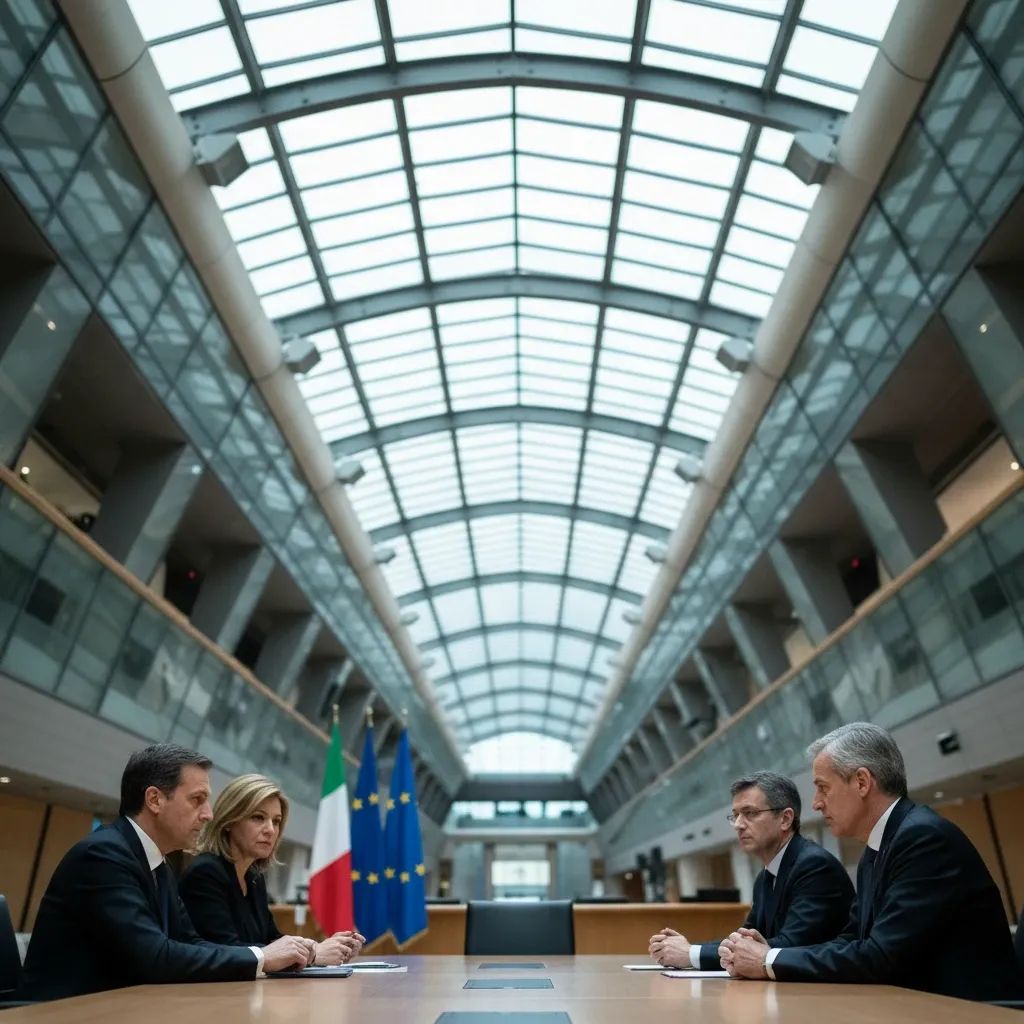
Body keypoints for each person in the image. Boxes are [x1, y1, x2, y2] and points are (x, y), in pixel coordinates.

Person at [720, 723, 1020, 1001]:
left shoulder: (922, 838)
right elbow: (851, 939)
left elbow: (882, 956)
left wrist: (767, 960)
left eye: (823, 787)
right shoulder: (878, 849)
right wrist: (769, 953)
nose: (815, 803)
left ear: (862, 782)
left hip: (970, 1010)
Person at [19, 744, 314, 1001]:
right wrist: (262, 956)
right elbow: (155, 957)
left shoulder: (158, 864)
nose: (209, 814)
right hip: (63, 1011)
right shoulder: (105, 856)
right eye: (197, 799)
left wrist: (272, 957)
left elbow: (190, 942)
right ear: (155, 799)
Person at [649, 771, 852, 970]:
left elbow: (788, 947)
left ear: (785, 819)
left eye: (750, 813)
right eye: (735, 815)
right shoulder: (766, 876)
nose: (738, 825)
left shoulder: (814, 866)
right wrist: (689, 948)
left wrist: (691, 954)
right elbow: (742, 941)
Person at [180, 773, 363, 963]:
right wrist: (313, 954)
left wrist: (320, 946)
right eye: (258, 818)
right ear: (229, 822)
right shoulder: (205, 873)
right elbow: (227, 950)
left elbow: (271, 940)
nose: (270, 830)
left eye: (276, 821)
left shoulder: (253, 876)